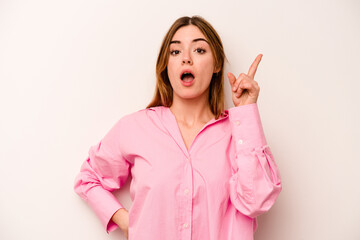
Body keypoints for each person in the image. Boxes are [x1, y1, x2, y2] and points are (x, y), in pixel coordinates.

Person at [74, 15, 282, 240]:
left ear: (217, 64)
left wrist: (247, 111)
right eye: (175, 52)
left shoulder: (239, 132)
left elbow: (257, 201)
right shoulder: (134, 128)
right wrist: (126, 221)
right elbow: (88, 178)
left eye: (199, 50)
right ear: (166, 65)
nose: (186, 59)